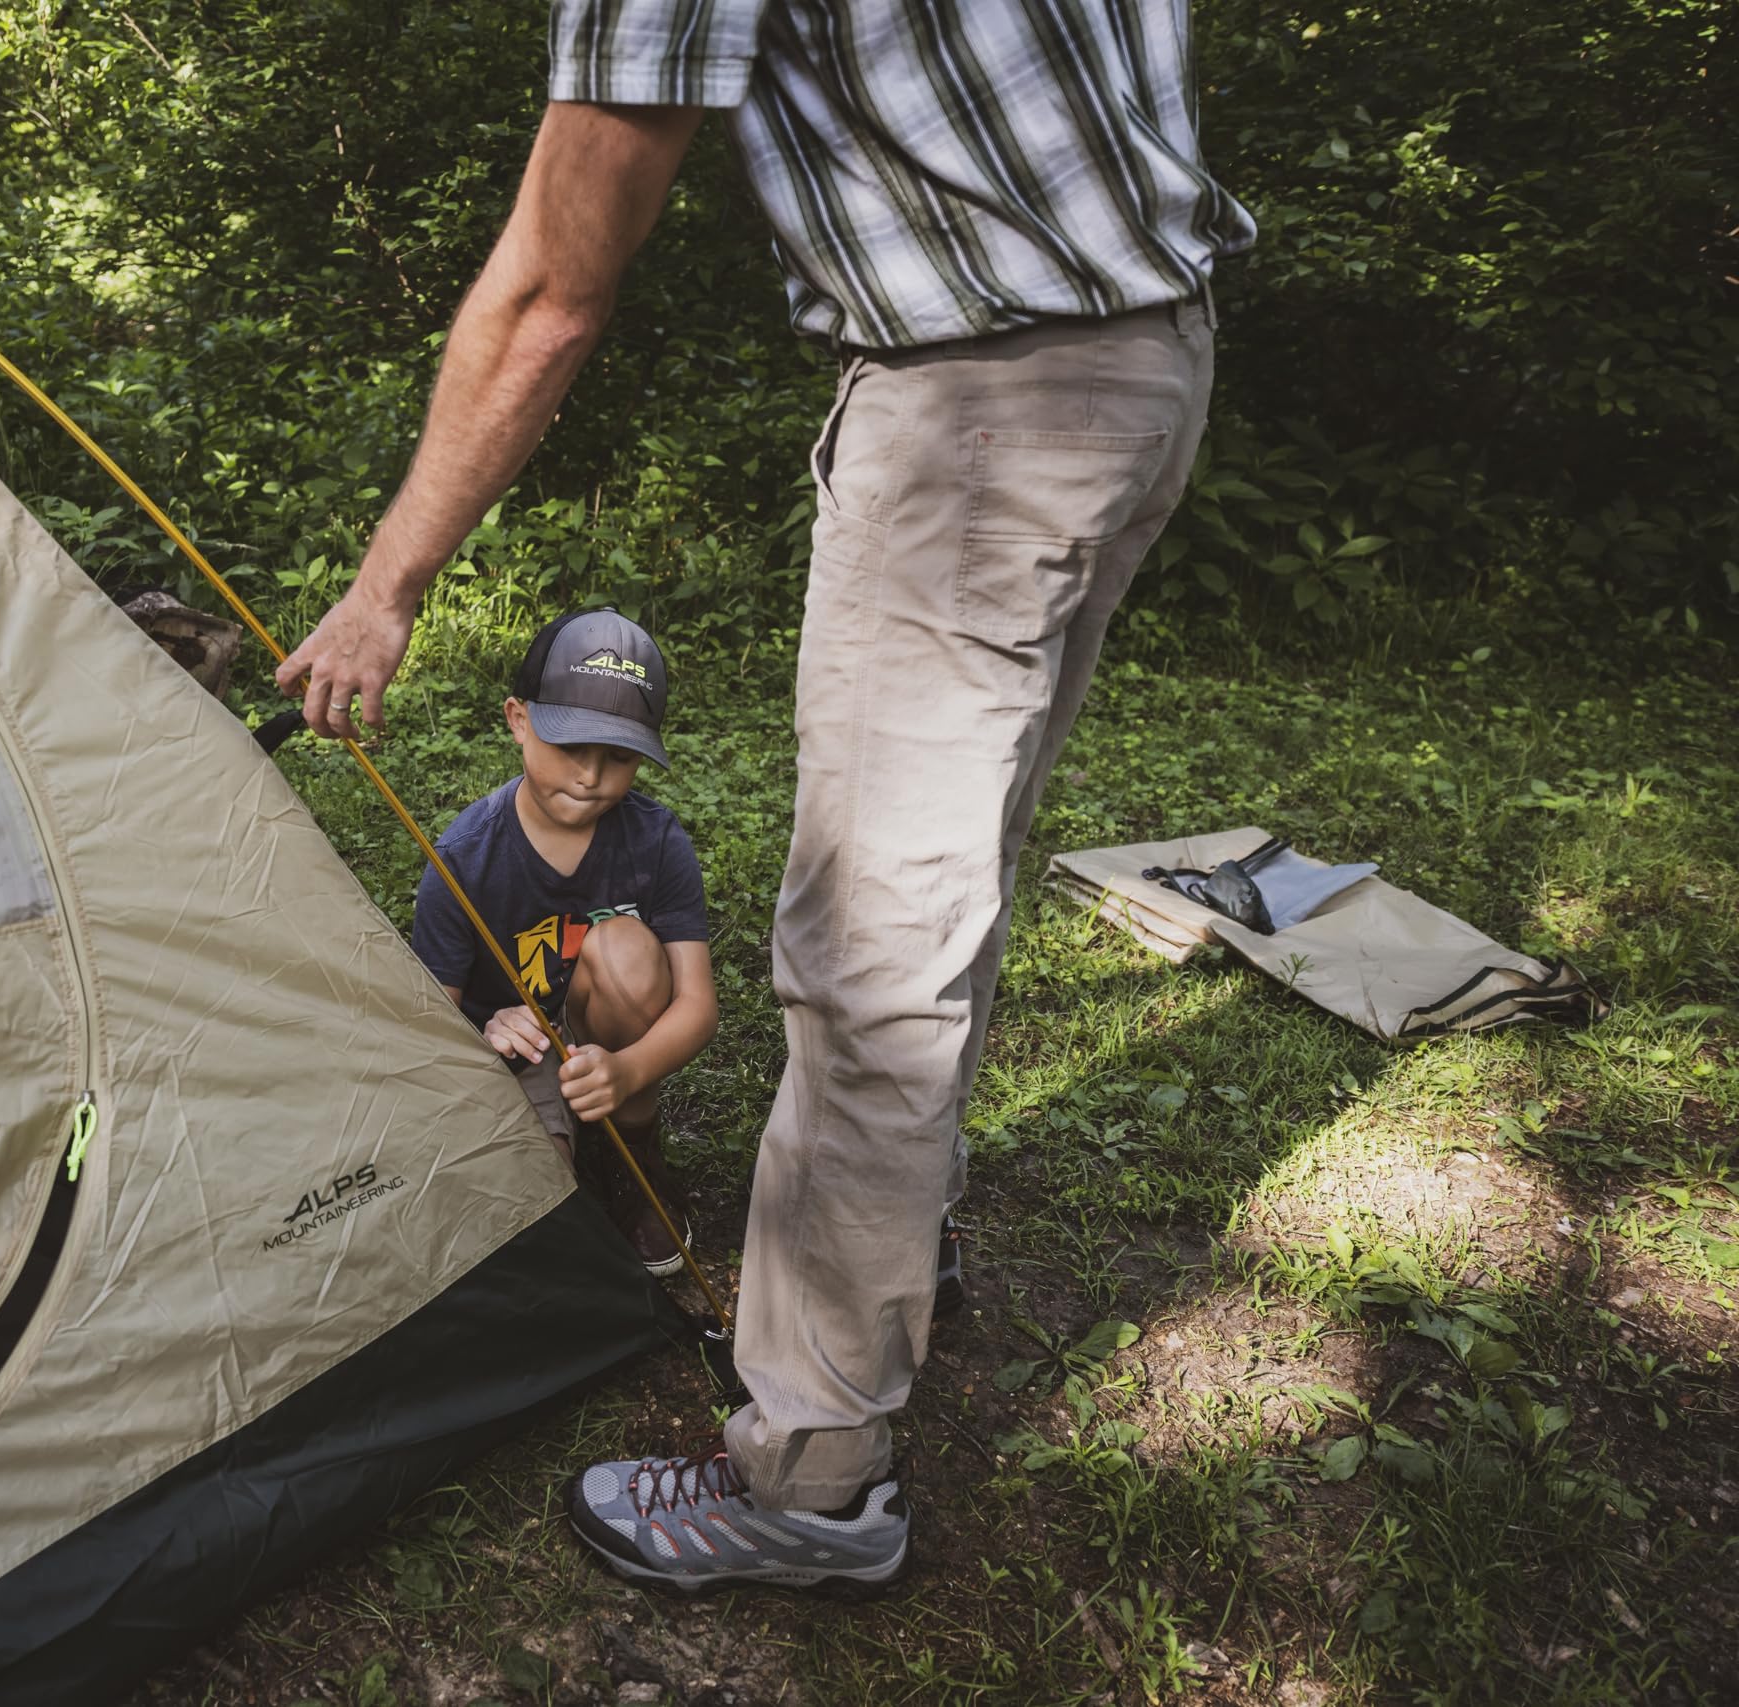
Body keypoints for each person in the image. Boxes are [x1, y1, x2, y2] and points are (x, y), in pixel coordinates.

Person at [279, 0, 1252, 1593]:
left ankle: (812, 1476)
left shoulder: (644, 843)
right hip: (1148, 355)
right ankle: (897, 1231)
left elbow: (550, 279)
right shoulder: (485, 841)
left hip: (984, 408)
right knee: (953, 875)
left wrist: (386, 590)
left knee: (873, 949)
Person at [411, 609, 716, 1276]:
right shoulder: (465, 856)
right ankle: (563, 1142)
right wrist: (483, 1028)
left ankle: (633, 1151)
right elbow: (426, 1028)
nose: (590, 776)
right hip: (514, 1057)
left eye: (619, 757)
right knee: (539, 1225)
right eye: (570, 746)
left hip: (606, 1039)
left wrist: (628, 1072)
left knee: (627, 952)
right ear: (519, 719)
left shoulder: (656, 841)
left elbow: (698, 1004)